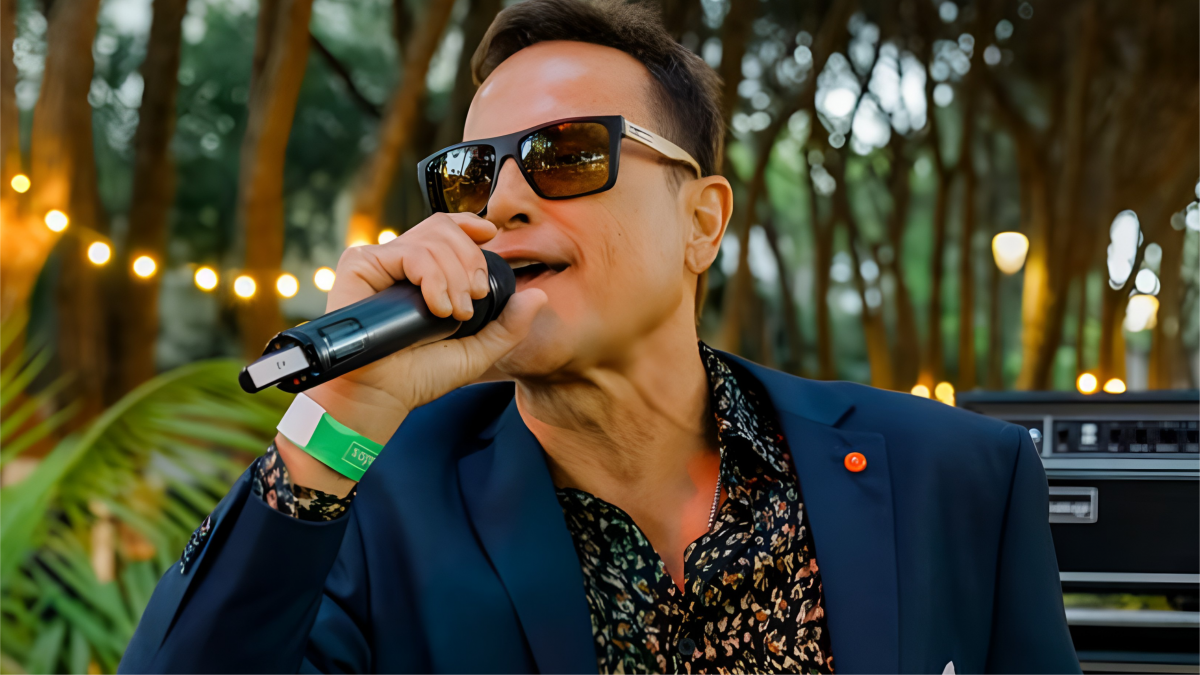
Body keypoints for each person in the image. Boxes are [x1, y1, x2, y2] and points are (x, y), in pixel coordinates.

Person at [118, 1, 1081, 673]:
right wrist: (337, 418)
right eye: (468, 174)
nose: (501, 200)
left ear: (702, 221)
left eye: (567, 154)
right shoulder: (368, 508)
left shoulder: (957, 476)